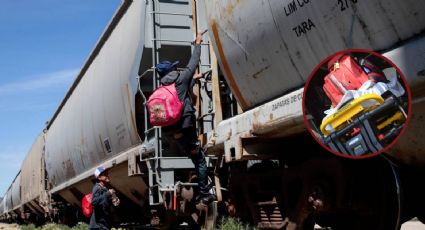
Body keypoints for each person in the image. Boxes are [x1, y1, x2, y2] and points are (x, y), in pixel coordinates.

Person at [156, 32, 215, 206]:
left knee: (193, 157)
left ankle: (199, 186)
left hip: (172, 133)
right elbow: (193, 62)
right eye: (174, 67)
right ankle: (204, 194)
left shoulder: (162, 87)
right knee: (200, 160)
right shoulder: (181, 79)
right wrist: (197, 43)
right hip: (187, 126)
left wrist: (193, 79)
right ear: (171, 71)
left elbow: (177, 94)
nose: (176, 69)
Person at [89, 166, 119, 230]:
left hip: (104, 224)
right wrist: (107, 194)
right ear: (99, 177)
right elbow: (94, 202)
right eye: (105, 174)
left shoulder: (105, 189)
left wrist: (114, 200)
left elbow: (105, 203)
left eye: (107, 173)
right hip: (98, 225)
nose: (107, 175)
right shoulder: (97, 188)